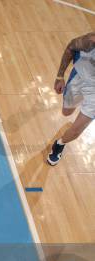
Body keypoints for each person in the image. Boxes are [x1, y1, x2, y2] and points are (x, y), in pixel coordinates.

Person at [48, 32, 95, 165]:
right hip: (80, 78)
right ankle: (80, 103)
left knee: (76, 130)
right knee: (66, 112)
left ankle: (59, 144)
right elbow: (71, 47)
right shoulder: (91, 42)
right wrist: (59, 76)